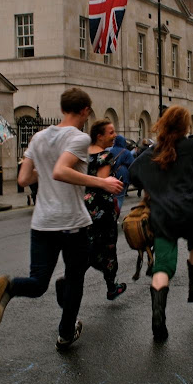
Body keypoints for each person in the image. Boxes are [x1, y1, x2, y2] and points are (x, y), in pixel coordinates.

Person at [0, 88, 122, 351]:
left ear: (61, 109)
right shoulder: (79, 138)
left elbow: (24, 179)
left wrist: (45, 168)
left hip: (42, 223)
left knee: (37, 283)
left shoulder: (38, 137)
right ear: (84, 111)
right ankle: (65, 334)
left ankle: (11, 287)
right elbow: (61, 171)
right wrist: (102, 182)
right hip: (71, 222)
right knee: (74, 280)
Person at [129, 108, 193, 342]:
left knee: (163, 265)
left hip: (162, 214)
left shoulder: (153, 150)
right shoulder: (191, 147)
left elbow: (133, 174)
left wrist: (155, 183)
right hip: (191, 211)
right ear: (185, 126)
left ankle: (158, 318)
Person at [84, 119, 127, 300]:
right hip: (102, 207)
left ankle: (73, 274)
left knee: (89, 242)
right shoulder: (105, 157)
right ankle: (111, 287)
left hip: (85, 205)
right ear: (99, 136)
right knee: (108, 247)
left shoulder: (83, 154)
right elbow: (103, 184)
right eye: (111, 133)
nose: (114, 135)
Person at [108, 134, 134, 211]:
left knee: (112, 197)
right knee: (120, 197)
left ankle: (111, 213)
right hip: (122, 176)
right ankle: (116, 215)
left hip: (111, 175)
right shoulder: (126, 152)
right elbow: (132, 163)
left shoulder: (110, 151)